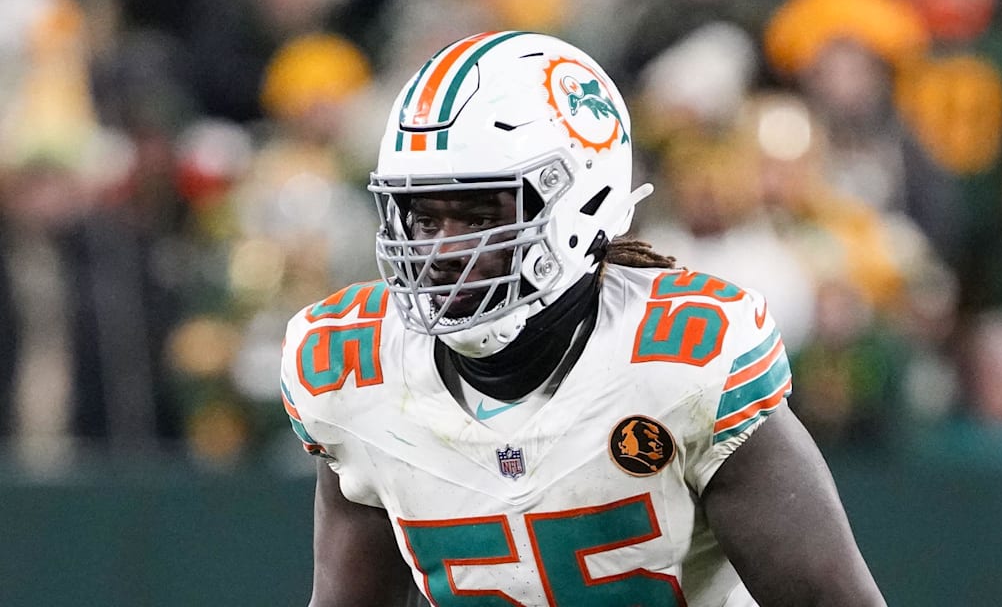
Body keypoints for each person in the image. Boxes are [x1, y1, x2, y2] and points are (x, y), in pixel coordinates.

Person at [280, 31, 885, 606]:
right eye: (424, 218)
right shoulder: (356, 376)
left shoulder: (682, 362)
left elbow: (829, 600)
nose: (440, 252)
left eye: (477, 215)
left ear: (582, 202)